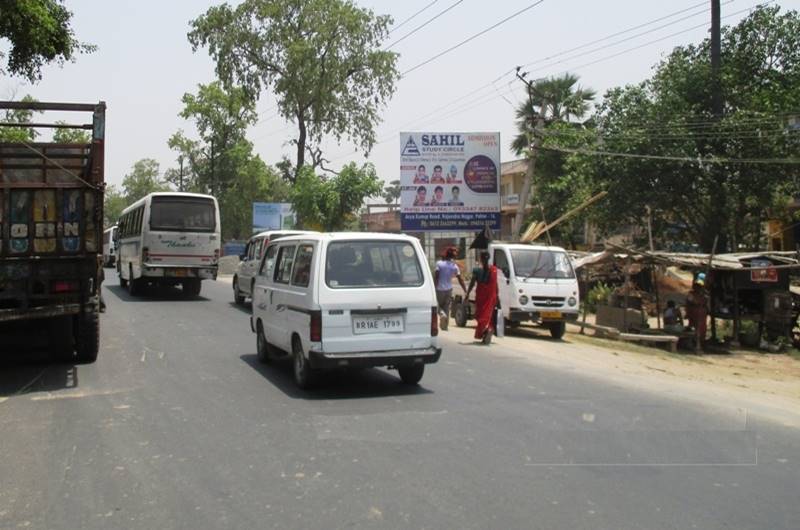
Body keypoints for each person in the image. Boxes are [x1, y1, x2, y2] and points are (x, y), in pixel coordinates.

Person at [466, 251, 499, 344]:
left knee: (480, 316)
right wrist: (497, 297)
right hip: (491, 297)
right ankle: (487, 330)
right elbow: (496, 285)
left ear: (480, 258)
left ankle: (486, 330)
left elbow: (472, 283)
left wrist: (467, 294)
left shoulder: (477, 270)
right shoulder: (494, 270)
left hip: (481, 297)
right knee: (487, 316)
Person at [434, 247, 467, 331]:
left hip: (439, 289)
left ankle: (441, 315)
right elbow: (460, 279)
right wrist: (465, 290)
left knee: (437, 306)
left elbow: (437, 277)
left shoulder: (439, 264)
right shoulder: (454, 266)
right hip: (449, 289)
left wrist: (434, 288)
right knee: (446, 307)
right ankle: (445, 326)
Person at [686, 276, 709, 352]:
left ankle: (700, 343)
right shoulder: (691, 294)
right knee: (694, 328)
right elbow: (692, 301)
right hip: (694, 312)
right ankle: (694, 343)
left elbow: (706, 301)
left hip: (701, 313)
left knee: (702, 329)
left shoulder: (704, 295)